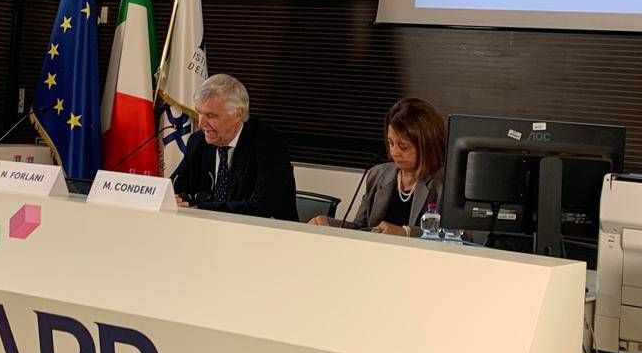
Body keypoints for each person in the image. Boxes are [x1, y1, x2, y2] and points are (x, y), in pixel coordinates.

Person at [310, 97, 446, 237]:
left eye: (403, 146)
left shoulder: (445, 184)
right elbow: (360, 228)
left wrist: (406, 233)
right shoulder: (377, 175)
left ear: (427, 145)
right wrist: (329, 224)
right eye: (391, 143)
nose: (394, 152)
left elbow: (454, 235)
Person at [172, 74, 298, 220]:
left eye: (211, 115)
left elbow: (260, 208)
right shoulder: (198, 141)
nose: (201, 124)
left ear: (238, 114)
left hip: (264, 231)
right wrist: (176, 199)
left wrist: (198, 209)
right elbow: (176, 186)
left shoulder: (269, 143)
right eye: (200, 113)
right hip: (208, 229)